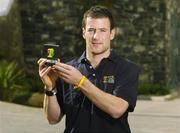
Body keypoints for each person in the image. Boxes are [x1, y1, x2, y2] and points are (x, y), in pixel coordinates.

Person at [38, 5, 139, 133]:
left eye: (102, 30)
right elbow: (53, 119)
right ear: (83, 32)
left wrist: (80, 81)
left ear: (112, 34)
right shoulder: (68, 69)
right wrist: (50, 88)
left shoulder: (127, 68)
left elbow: (117, 109)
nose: (96, 36)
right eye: (91, 30)